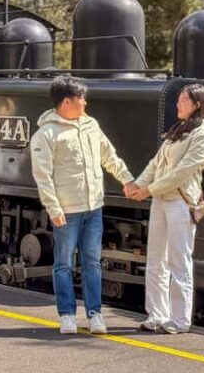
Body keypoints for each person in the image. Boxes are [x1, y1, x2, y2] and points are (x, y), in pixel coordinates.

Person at [31, 76, 136, 335]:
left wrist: (127, 180)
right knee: (64, 263)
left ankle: (94, 314)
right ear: (67, 101)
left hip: (93, 208)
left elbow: (108, 155)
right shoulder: (46, 134)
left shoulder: (91, 125)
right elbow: (42, 176)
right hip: (67, 210)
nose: (85, 102)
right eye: (81, 99)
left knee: (93, 262)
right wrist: (53, 208)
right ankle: (67, 315)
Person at [127, 84, 204, 334]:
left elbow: (182, 172)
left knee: (179, 260)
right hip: (161, 200)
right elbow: (156, 163)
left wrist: (148, 190)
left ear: (197, 104)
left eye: (183, 100)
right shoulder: (179, 130)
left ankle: (179, 319)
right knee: (156, 259)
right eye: (178, 100)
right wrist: (137, 184)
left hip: (180, 201)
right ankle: (156, 314)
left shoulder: (201, 135)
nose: (178, 104)